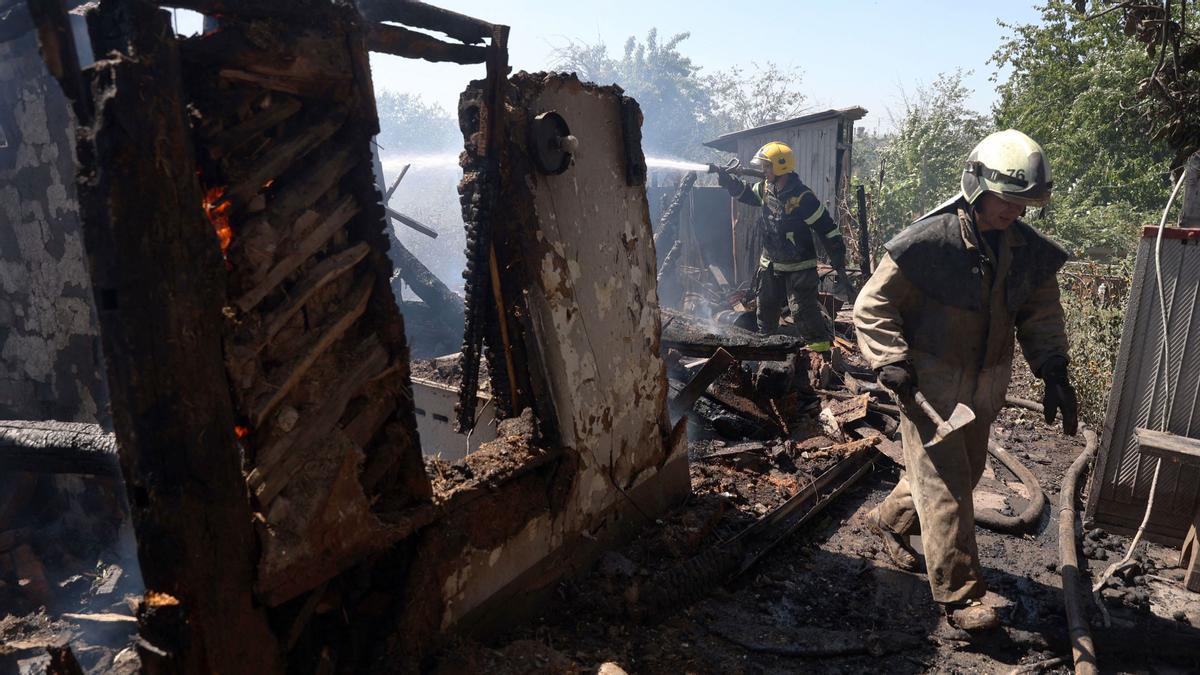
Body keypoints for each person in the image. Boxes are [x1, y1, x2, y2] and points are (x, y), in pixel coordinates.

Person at [852, 129, 1078, 631]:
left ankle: (890, 522)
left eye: (1023, 204)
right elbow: (871, 306)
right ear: (977, 185)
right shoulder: (927, 244)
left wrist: (1054, 369)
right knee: (948, 489)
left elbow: (1041, 316)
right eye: (1006, 201)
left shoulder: (1027, 250)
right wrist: (891, 360)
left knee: (964, 473)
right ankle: (960, 596)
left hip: (985, 388)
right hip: (927, 388)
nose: (1014, 213)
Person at [716, 142, 855, 353]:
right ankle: (767, 352)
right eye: (762, 166)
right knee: (766, 309)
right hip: (770, 263)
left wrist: (837, 254)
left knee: (803, 311)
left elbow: (826, 227)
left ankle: (821, 354)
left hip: (799, 265)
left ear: (780, 167)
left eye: (767, 167)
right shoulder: (766, 188)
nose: (763, 171)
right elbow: (747, 195)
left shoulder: (802, 197)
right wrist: (729, 182)